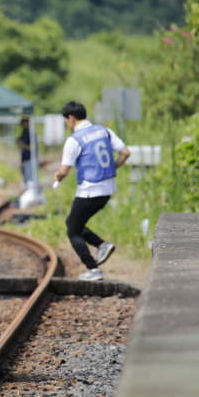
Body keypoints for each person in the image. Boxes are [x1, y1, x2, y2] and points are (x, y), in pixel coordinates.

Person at [53, 102, 131, 281]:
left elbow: (64, 171)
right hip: (107, 190)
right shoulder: (104, 131)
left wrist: (57, 177)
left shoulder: (74, 139)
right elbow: (125, 153)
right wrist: (112, 169)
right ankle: (102, 245)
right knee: (75, 224)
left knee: (72, 230)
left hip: (89, 190)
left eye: (66, 121)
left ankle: (94, 269)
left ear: (71, 118)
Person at [16, 117, 34, 185]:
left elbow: (32, 148)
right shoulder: (24, 132)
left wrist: (22, 144)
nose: (22, 125)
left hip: (30, 159)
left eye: (23, 123)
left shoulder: (30, 133)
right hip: (24, 158)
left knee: (30, 180)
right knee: (26, 179)